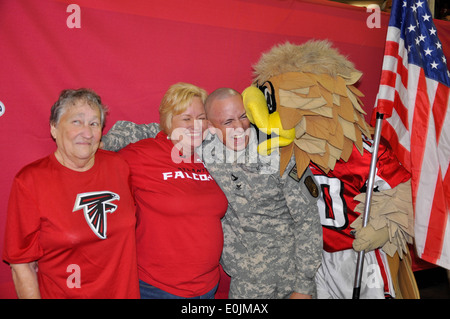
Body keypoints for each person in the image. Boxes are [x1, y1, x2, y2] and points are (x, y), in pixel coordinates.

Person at [102, 87, 323, 299]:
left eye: (243, 117)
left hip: (288, 278)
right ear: (211, 125)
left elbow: (308, 221)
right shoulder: (206, 144)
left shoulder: (277, 152)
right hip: (246, 282)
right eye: (227, 122)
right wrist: (103, 142)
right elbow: (161, 128)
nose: (239, 127)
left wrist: (304, 285)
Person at [2, 88, 139, 299]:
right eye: (77, 122)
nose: (87, 132)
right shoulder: (30, 181)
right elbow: (22, 265)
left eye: (94, 124)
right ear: (54, 128)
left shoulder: (119, 167)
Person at [117, 82, 228, 299]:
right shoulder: (142, 154)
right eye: (186, 118)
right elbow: (96, 167)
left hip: (208, 286)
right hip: (158, 288)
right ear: (169, 122)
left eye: (201, 117)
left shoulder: (214, 158)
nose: (196, 125)